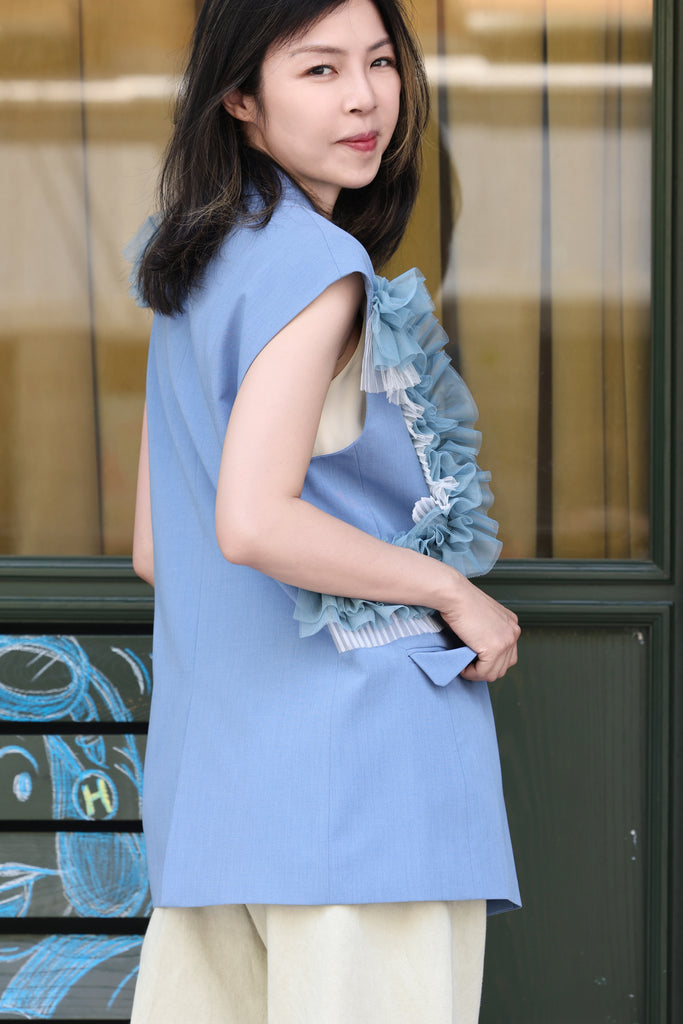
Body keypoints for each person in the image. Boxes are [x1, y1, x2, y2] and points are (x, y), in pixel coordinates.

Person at [128, 0, 521, 1020]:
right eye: (319, 69)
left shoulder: (190, 257)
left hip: (216, 795)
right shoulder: (319, 270)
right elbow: (253, 521)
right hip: (364, 790)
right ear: (239, 97)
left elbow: (158, 548)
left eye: (380, 62)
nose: (364, 98)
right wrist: (453, 592)